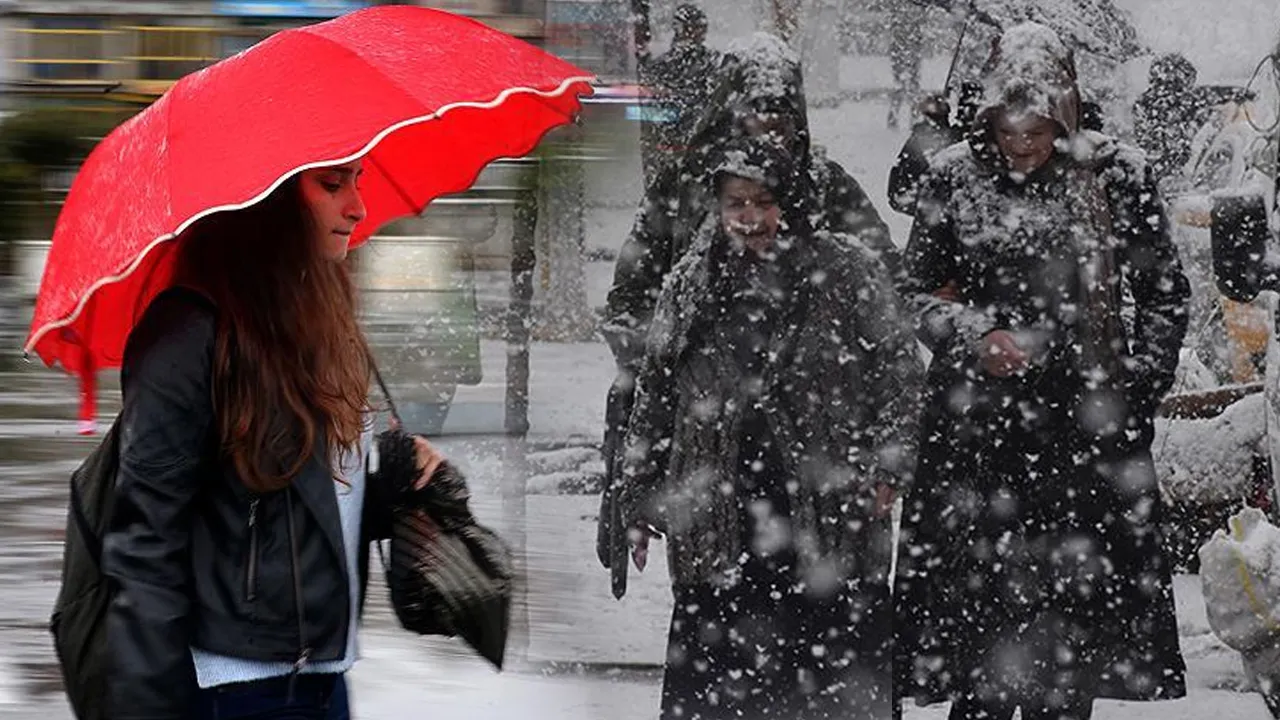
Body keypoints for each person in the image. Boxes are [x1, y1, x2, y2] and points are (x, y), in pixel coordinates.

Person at [894, 23, 1191, 720]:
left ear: (1066, 112)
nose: (1022, 146)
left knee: (1069, 650)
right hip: (976, 437)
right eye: (1009, 130)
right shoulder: (955, 177)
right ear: (989, 116)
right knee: (980, 643)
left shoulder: (1115, 173)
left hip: (1084, 439)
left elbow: (1164, 293)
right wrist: (975, 334)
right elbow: (910, 291)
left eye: (1037, 131)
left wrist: (1137, 388)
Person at [103, 160, 445, 719]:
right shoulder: (189, 335)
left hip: (323, 679)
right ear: (268, 200)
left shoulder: (313, 324)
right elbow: (144, 544)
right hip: (236, 690)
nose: (356, 207)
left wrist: (396, 489)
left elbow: (302, 512)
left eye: (357, 182)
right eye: (332, 185)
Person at [617, 137, 921, 720]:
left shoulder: (846, 270)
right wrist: (637, 497)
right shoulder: (690, 283)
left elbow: (901, 373)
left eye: (763, 201)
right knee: (723, 685)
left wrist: (890, 462)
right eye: (736, 203)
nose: (750, 218)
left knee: (829, 680)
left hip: (830, 510)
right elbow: (654, 394)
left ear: (793, 202)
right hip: (718, 515)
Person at [597, 32, 900, 597]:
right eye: (754, 120)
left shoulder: (829, 189)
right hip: (712, 450)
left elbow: (888, 299)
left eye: (781, 123)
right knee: (723, 604)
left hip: (818, 448)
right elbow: (629, 304)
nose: (769, 137)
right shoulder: (684, 189)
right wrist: (684, 370)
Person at [1133, 53, 1254, 184]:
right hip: (1172, 168)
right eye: (1188, 80)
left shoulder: (1142, 103)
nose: (1189, 86)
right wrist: (1249, 94)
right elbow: (1213, 94)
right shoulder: (1183, 99)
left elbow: (1143, 139)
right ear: (1178, 77)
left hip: (1150, 170)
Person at [640, 3, 724, 179]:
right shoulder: (714, 63)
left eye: (701, 27)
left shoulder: (659, 66)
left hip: (678, 144)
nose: (701, 32)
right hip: (694, 144)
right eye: (697, 27)